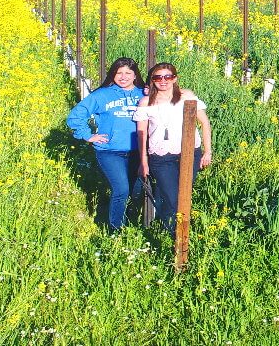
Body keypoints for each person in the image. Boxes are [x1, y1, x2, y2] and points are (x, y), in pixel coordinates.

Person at [67, 57, 146, 231]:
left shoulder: (144, 94)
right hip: (110, 151)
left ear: (135, 75)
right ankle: (115, 230)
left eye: (128, 73)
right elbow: (75, 116)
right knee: (121, 189)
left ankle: (133, 224)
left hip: (138, 152)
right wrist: (88, 135)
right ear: (113, 74)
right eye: (119, 73)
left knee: (137, 191)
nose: (123, 77)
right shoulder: (102, 95)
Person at [133, 62, 211, 234]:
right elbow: (141, 134)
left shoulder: (186, 96)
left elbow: (205, 123)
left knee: (184, 194)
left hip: (189, 153)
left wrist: (207, 152)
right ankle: (176, 235)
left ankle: (169, 231)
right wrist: (143, 162)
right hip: (161, 157)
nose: (163, 81)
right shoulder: (146, 102)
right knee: (173, 197)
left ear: (175, 78)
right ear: (152, 80)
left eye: (168, 77)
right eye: (158, 77)